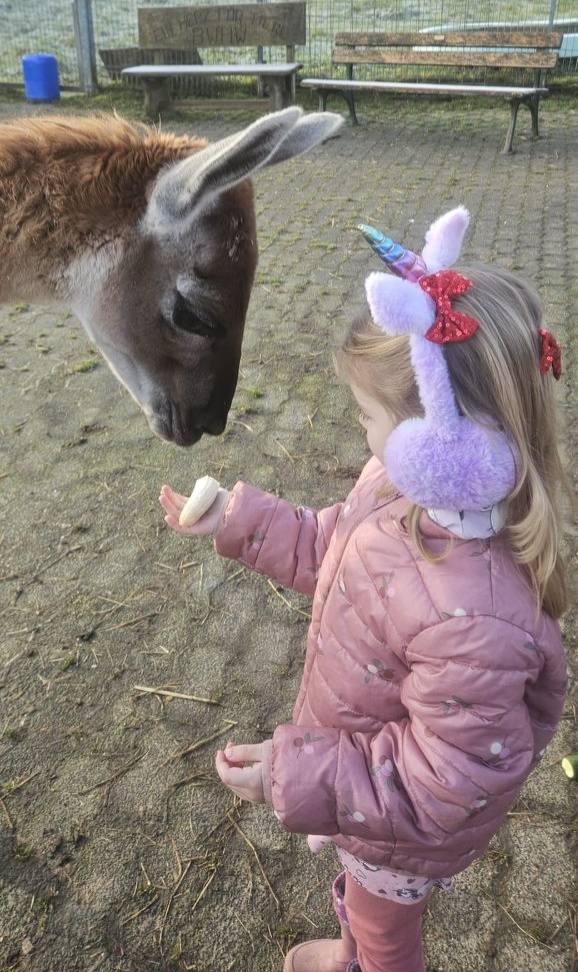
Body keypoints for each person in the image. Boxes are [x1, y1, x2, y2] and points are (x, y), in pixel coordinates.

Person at [159, 207, 568, 972]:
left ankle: (366, 957)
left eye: (367, 415)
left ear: (442, 441)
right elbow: (333, 548)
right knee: (361, 903)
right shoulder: (401, 486)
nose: (362, 433)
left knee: (386, 933)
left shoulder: (477, 620)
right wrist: (234, 521)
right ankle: (351, 951)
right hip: (363, 790)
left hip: (399, 828)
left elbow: (443, 784)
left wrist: (297, 774)